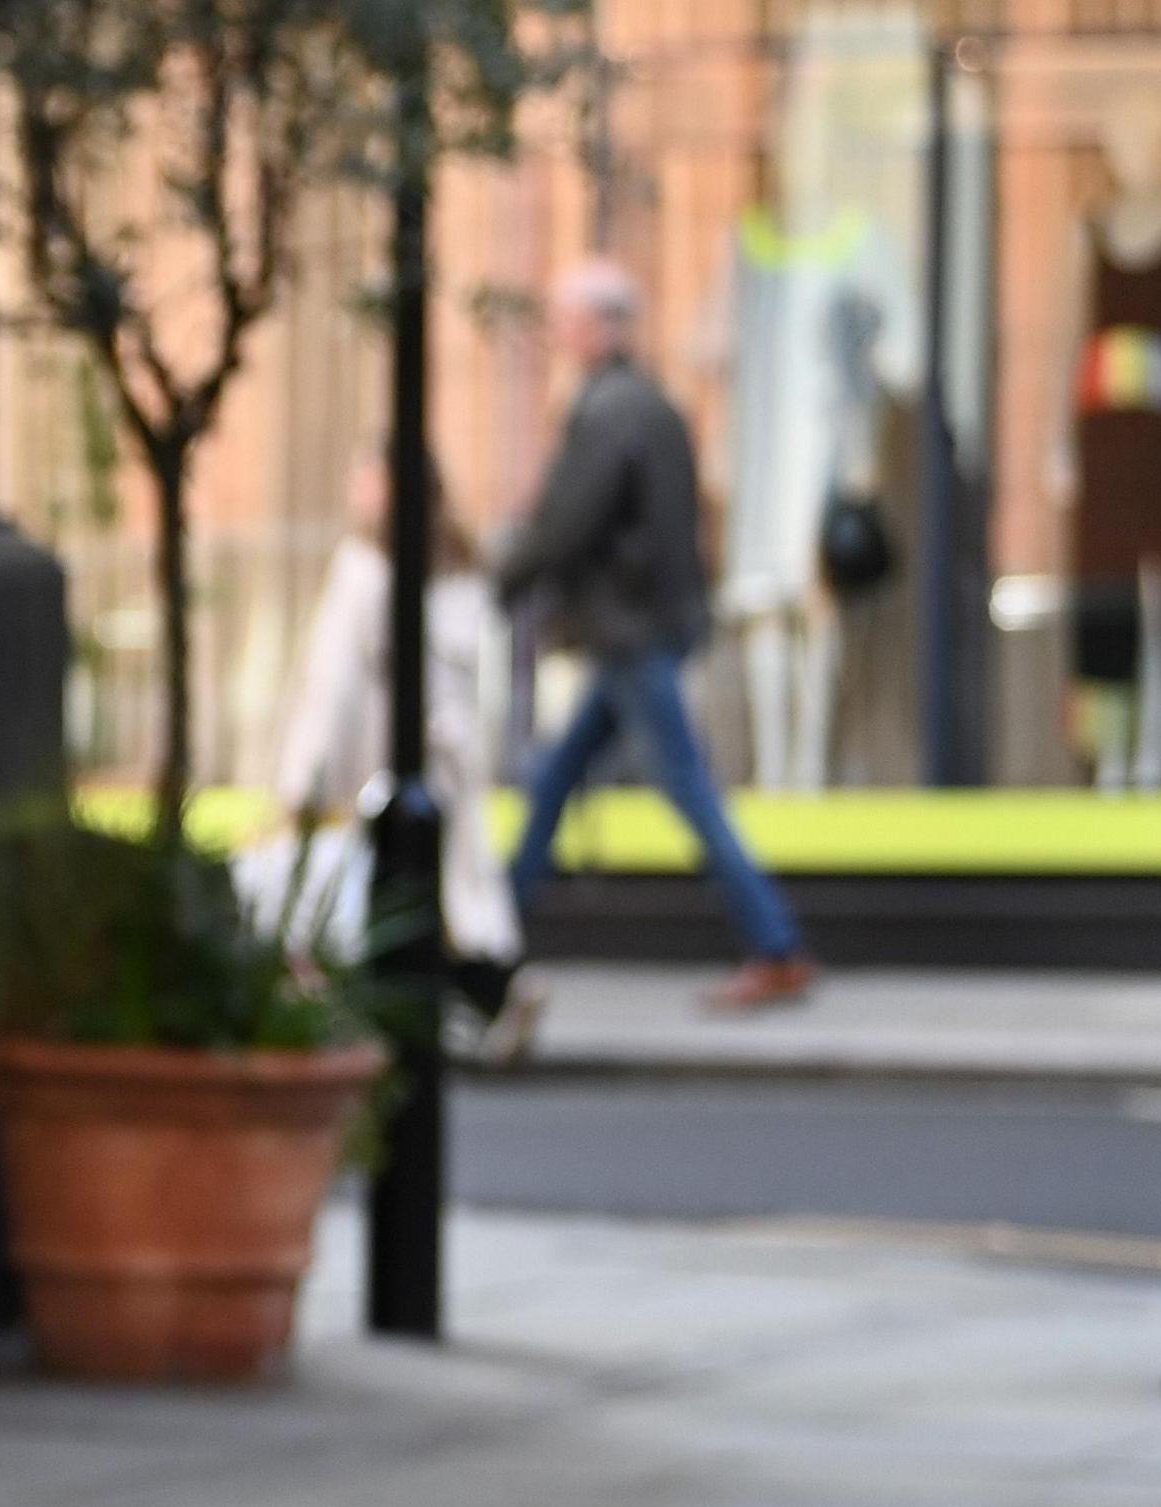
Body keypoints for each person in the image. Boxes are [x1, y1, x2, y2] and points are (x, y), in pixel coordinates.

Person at [500, 259, 817, 1010]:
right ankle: (494, 932)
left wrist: (511, 575)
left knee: (687, 788)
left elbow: (570, 518)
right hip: (643, 627)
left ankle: (774, 945)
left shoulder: (610, 411)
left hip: (630, 631)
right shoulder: (650, 405)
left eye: (568, 318)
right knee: (553, 781)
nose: (560, 333)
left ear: (602, 325)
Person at [240, 443, 536, 1055]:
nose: (356, 490)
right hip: (449, 756)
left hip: (384, 763)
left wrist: (303, 784)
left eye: (366, 477)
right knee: (461, 894)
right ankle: (495, 990)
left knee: (389, 897)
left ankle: (446, 1007)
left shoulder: (365, 566)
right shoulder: (460, 563)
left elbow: (334, 685)